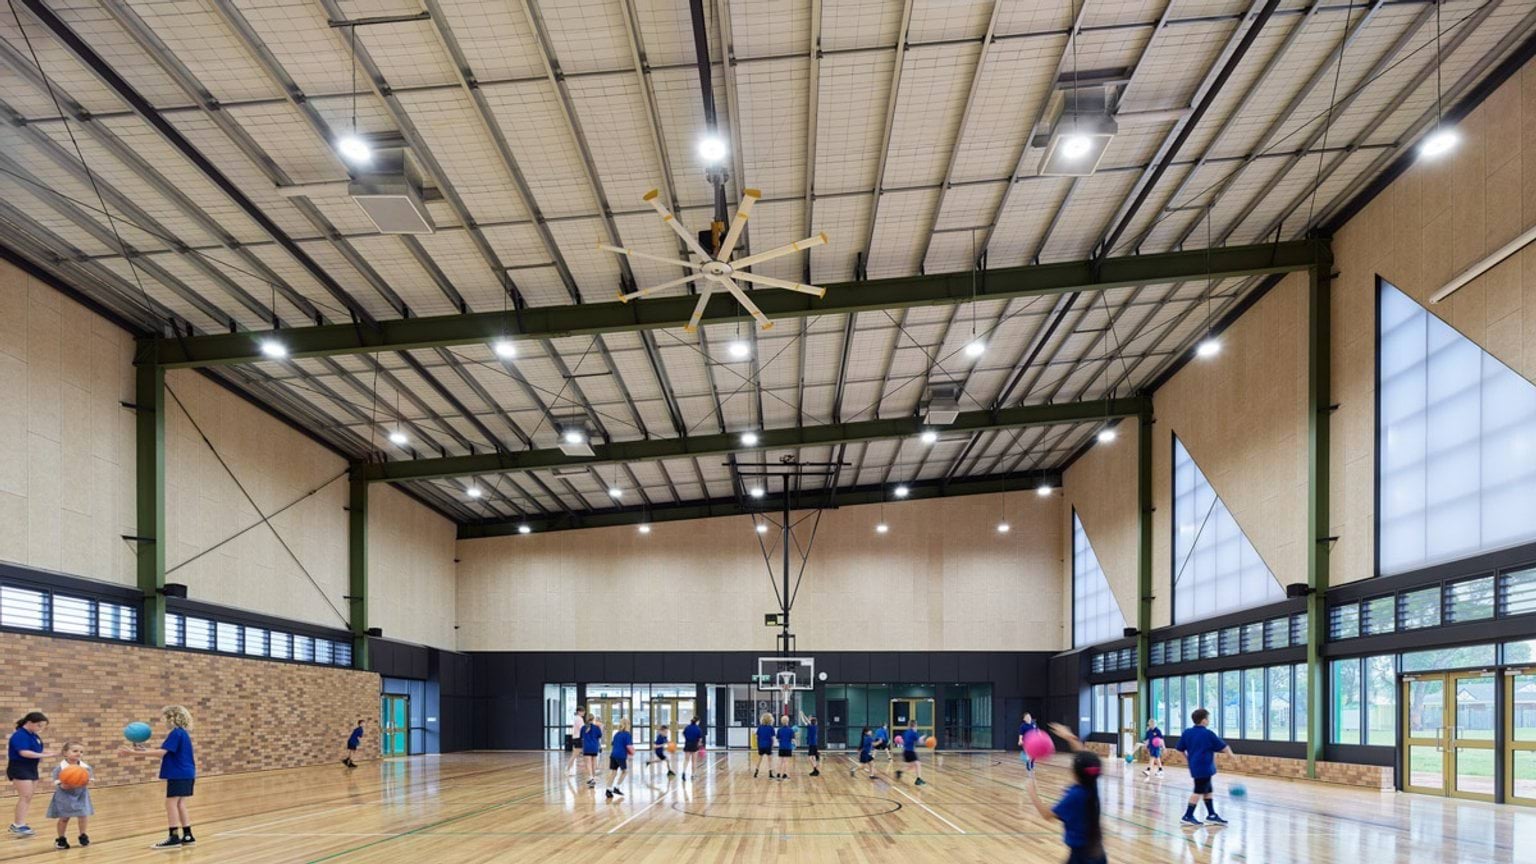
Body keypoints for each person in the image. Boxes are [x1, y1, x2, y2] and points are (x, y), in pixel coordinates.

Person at [1026, 723, 1107, 864]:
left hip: (1081, 857)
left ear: (1076, 772)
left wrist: (1032, 792)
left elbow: (1047, 815)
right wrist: (1070, 738)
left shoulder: (1075, 796)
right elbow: (1084, 757)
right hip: (1097, 854)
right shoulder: (1091, 786)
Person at [119, 705, 196, 849]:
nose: (164, 721)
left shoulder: (176, 733)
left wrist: (133, 753)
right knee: (180, 803)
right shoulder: (183, 733)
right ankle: (187, 835)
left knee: (171, 803)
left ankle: (173, 837)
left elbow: (162, 753)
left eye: (166, 718)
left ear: (172, 718)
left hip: (178, 774)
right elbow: (167, 753)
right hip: (186, 772)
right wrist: (145, 750)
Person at [1176, 708, 1233, 827]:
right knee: (1198, 791)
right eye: (1208, 718)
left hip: (1198, 767)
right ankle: (1187, 816)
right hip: (1204, 767)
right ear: (1203, 720)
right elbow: (1223, 746)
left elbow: (1180, 749)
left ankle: (1211, 815)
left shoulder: (1187, 733)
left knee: (1208, 790)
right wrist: (1230, 755)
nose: (1209, 721)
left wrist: (1188, 760)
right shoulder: (1208, 733)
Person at [7, 711, 55, 837]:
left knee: (28, 797)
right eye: (39, 725)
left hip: (31, 768)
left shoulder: (33, 735)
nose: (41, 729)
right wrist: (44, 755)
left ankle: (20, 823)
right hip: (19, 767)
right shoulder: (19, 735)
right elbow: (24, 752)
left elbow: (36, 749)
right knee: (25, 796)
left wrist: (48, 751)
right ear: (29, 722)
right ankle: (18, 825)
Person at [47, 741, 93, 849]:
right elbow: (55, 780)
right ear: (65, 753)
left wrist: (86, 782)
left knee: (83, 815)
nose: (79, 754)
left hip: (80, 794)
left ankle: (83, 835)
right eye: (75, 751)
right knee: (64, 818)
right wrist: (62, 785)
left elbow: (90, 780)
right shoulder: (60, 768)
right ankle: (61, 838)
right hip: (64, 795)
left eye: (81, 752)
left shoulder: (85, 767)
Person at [604, 718, 633, 800]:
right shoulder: (627, 734)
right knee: (625, 771)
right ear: (627, 724)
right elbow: (629, 746)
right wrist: (631, 755)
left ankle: (608, 790)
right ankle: (617, 787)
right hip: (620, 755)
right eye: (629, 723)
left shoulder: (617, 734)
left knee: (613, 772)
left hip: (613, 755)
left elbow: (613, 744)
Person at [896, 720, 926, 786]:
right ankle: (918, 780)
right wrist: (924, 739)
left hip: (905, 751)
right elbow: (919, 742)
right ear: (915, 725)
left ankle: (899, 772)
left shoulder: (906, 732)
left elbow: (904, 741)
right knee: (918, 763)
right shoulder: (914, 733)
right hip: (910, 751)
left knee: (911, 766)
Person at [579, 713, 603, 787]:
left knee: (588, 763)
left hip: (587, 747)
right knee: (594, 762)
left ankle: (591, 777)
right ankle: (593, 777)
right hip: (594, 747)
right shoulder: (597, 727)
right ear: (593, 719)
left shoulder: (583, 727)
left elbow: (581, 737)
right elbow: (600, 736)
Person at [681, 716, 704, 782]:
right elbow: (700, 739)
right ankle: (693, 774)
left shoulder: (687, 727)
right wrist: (699, 744)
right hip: (694, 745)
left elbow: (683, 734)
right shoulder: (698, 729)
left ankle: (684, 772)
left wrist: (687, 738)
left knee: (686, 760)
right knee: (694, 761)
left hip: (687, 744)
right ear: (697, 721)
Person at [773, 715, 795, 781]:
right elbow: (792, 740)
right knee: (786, 761)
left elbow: (778, 739)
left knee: (780, 761)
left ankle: (778, 774)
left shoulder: (779, 730)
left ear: (782, 722)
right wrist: (794, 744)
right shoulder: (791, 730)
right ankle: (784, 774)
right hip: (788, 747)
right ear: (788, 721)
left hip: (781, 747)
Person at [754, 712, 775, 779]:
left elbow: (757, 737)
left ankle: (756, 772)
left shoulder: (760, 727)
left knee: (759, 759)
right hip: (768, 745)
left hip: (761, 745)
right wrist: (772, 745)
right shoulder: (771, 728)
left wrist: (758, 745)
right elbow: (772, 738)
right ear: (770, 720)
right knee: (770, 760)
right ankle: (770, 773)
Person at [566, 707, 586, 775]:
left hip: (576, 738)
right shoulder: (579, 719)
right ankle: (568, 769)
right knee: (575, 755)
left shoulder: (577, 718)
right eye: (583, 711)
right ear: (579, 712)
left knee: (575, 755)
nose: (584, 713)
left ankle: (568, 769)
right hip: (578, 738)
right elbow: (582, 729)